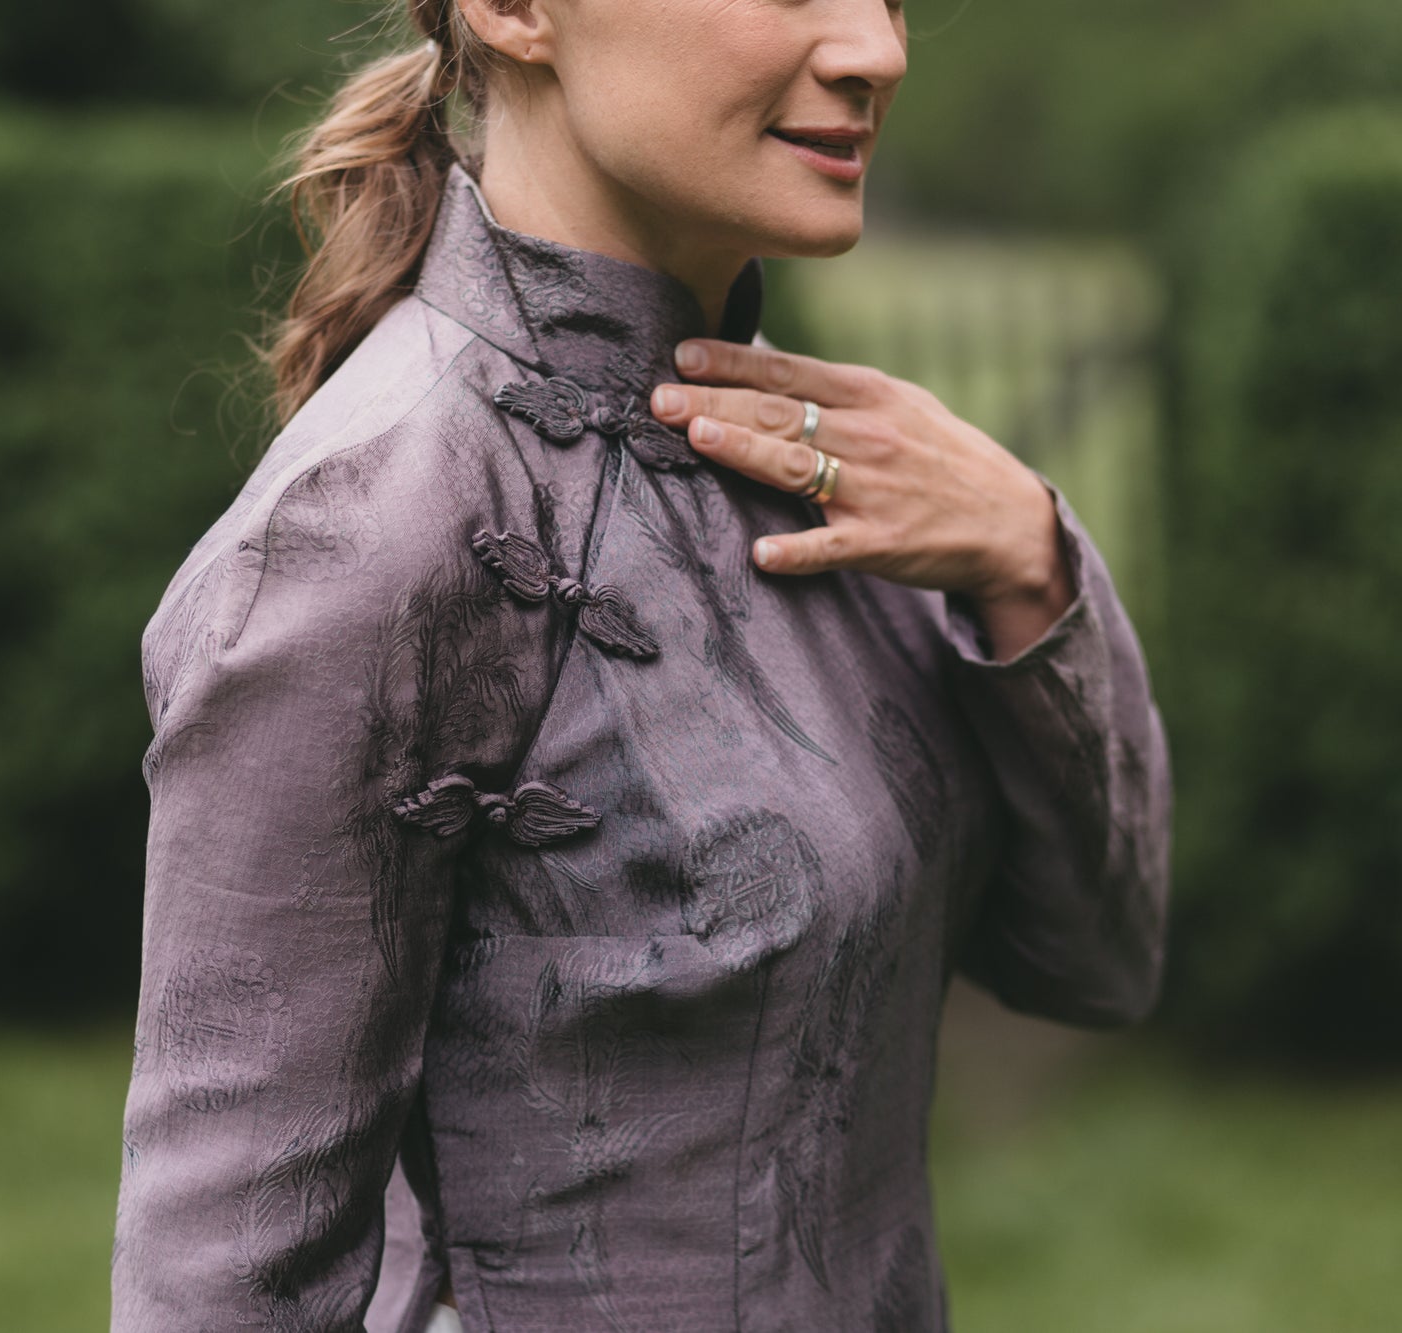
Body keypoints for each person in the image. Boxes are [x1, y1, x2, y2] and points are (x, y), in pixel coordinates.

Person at [110, 0, 1172, 1328]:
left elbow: (1097, 958)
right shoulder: (372, 533)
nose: (875, 49)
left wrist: (1027, 558)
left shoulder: (833, 469)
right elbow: (220, 1285)